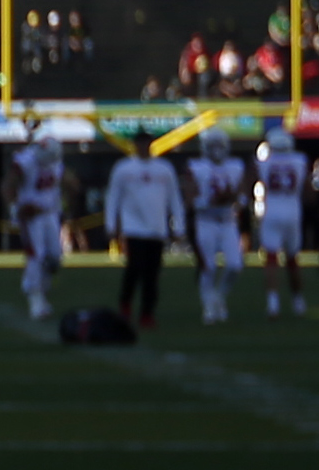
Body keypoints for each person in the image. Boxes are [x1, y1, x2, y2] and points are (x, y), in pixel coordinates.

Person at [103, 132, 186, 328]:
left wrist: (179, 226)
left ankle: (147, 313)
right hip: (133, 228)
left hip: (157, 229)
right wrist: (111, 225)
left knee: (152, 273)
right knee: (135, 268)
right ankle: (126, 305)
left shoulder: (164, 169)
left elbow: (174, 198)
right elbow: (113, 197)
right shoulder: (124, 168)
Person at [184, 132, 248, 325]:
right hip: (205, 220)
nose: (217, 149)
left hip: (228, 220)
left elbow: (243, 197)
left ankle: (218, 297)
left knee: (235, 265)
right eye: (213, 145)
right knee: (208, 266)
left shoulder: (236, 166)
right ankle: (209, 307)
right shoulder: (196, 167)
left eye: (219, 145)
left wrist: (232, 197)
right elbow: (191, 200)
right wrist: (211, 200)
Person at [11, 130, 71, 320]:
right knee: (35, 255)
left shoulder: (54, 161)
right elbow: (7, 184)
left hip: (50, 214)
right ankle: (35, 298)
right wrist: (15, 208)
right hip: (31, 216)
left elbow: (67, 180)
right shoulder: (26, 160)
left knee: (54, 257)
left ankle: (37, 290)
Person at [253, 127, 313, 315]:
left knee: (271, 259)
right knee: (293, 259)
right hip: (293, 212)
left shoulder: (263, 163)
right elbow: (309, 192)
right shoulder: (300, 161)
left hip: (272, 212)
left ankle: (273, 304)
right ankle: (298, 302)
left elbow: (250, 184)